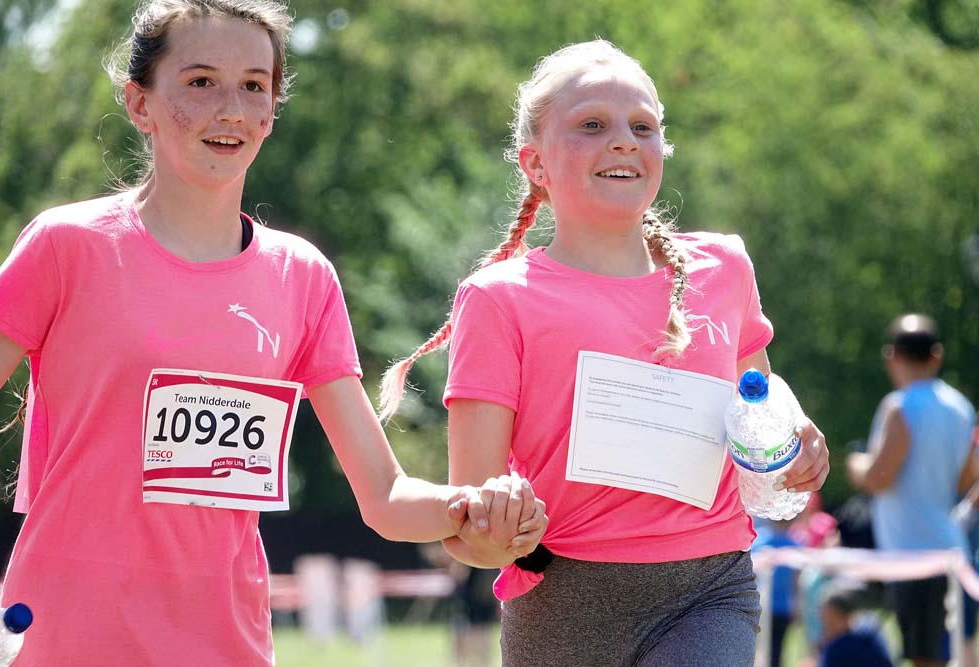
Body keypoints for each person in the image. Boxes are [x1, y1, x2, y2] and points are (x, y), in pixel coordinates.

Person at [0, 2, 546, 665]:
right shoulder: (64, 246)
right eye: (200, 82)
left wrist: (477, 506)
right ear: (140, 103)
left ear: (272, 111)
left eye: (254, 85)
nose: (231, 108)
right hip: (62, 641)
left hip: (229, 646)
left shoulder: (302, 276)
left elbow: (386, 497)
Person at [380, 39, 830, 666]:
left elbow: (760, 408)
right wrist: (497, 530)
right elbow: (471, 526)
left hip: (711, 589)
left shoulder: (724, 267)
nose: (624, 140)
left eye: (642, 127)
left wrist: (797, 444)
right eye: (592, 125)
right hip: (562, 602)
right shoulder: (496, 299)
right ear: (534, 163)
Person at [847, 313, 978, 667]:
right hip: (953, 550)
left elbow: (879, 477)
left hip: (913, 555)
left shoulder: (900, 406)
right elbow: (966, 481)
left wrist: (856, 465)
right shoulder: (962, 408)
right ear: (937, 355)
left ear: (892, 355)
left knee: (924, 659)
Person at [751, 519, 800, 667]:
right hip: (774, 607)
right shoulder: (793, 545)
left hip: (766, 608)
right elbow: (796, 582)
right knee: (774, 653)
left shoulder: (759, 541)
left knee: (763, 651)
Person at [816, 584, 894, 667]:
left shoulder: (835, 650)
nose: (826, 625)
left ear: (845, 616)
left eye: (830, 619)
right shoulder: (869, 638)